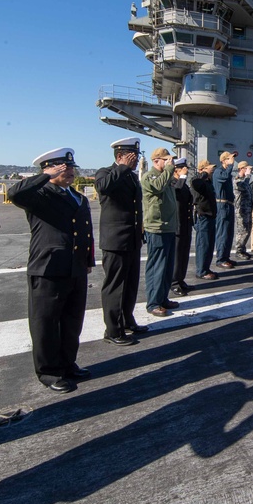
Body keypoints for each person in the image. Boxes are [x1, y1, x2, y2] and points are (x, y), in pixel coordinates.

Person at [9, 148, 94, 395]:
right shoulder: (39, 195)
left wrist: (88, 259)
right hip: (48, 266)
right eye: (62, 168)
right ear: (48, 169)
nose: (69, 172)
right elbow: (15, 193)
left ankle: (68, 363)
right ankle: (48, 371)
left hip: (75, 266)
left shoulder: (79, 197)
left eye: (70, 168)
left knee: (72, 320)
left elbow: (85, 232)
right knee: (45, 322)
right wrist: (45, 176)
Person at [94, 137, 147, 347]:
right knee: (115, 285)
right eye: (132, 156)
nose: (135, 160)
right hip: (115, 240)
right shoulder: (106, 172)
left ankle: (127, 320)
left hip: (132, 238)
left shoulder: (132, 177)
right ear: (120, 156)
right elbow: (104, 187)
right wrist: (123, 168)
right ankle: (113, 329)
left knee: (131, 283)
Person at [141, 147, 178, 317]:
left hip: (168, 226)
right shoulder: (150, 176)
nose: (170, 162)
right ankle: (153, 302)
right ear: (156, 160)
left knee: (167, 267)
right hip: (156, 227)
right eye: (166, 160)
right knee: (157, 266)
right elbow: (157, 187)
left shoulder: (166, 176)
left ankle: (162, 298)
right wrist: (170, 170)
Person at [190, 160, 218, 280]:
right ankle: (201, 270)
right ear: (202, 169)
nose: (211, 170)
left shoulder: (208, 182)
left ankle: (206, 268)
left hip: (210, 216)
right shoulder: (198, 181)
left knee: (209, 245)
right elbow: (196, 184)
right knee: (203, 245)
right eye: (209, 168)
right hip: (203, 217)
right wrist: (203, 175)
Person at [212, 150, 239, 270]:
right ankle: (221, 259)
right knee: (222, 233)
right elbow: (224, 177)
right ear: (223, 160)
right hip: (222, 206)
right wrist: (231, 165)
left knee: (229, 233)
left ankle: (226, 257)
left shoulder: (226, 172)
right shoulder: (219, 172)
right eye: (229, 159)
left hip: (229, 204)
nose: (232, 160)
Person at [172, 158, 194, 296]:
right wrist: (183, 177)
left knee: (184, 254)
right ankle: (174, 282)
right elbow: (176, 194)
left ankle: (180, 279)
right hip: (177, 224)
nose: (186, 171)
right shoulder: (173, 183)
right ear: (176, 170)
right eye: (183, 169)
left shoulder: (183, 184)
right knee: (177, 255)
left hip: (185, 224)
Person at [233, 160, 253, 260]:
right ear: (242, 169)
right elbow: (243, 186)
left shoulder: (244, 180)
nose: (249, 171)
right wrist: (248, 176)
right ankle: (239, 250)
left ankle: (243, 249)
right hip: (241, 210)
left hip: (248, 209)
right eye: (247, 169)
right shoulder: (238, 180)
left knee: (248, 230)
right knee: (242, 230)